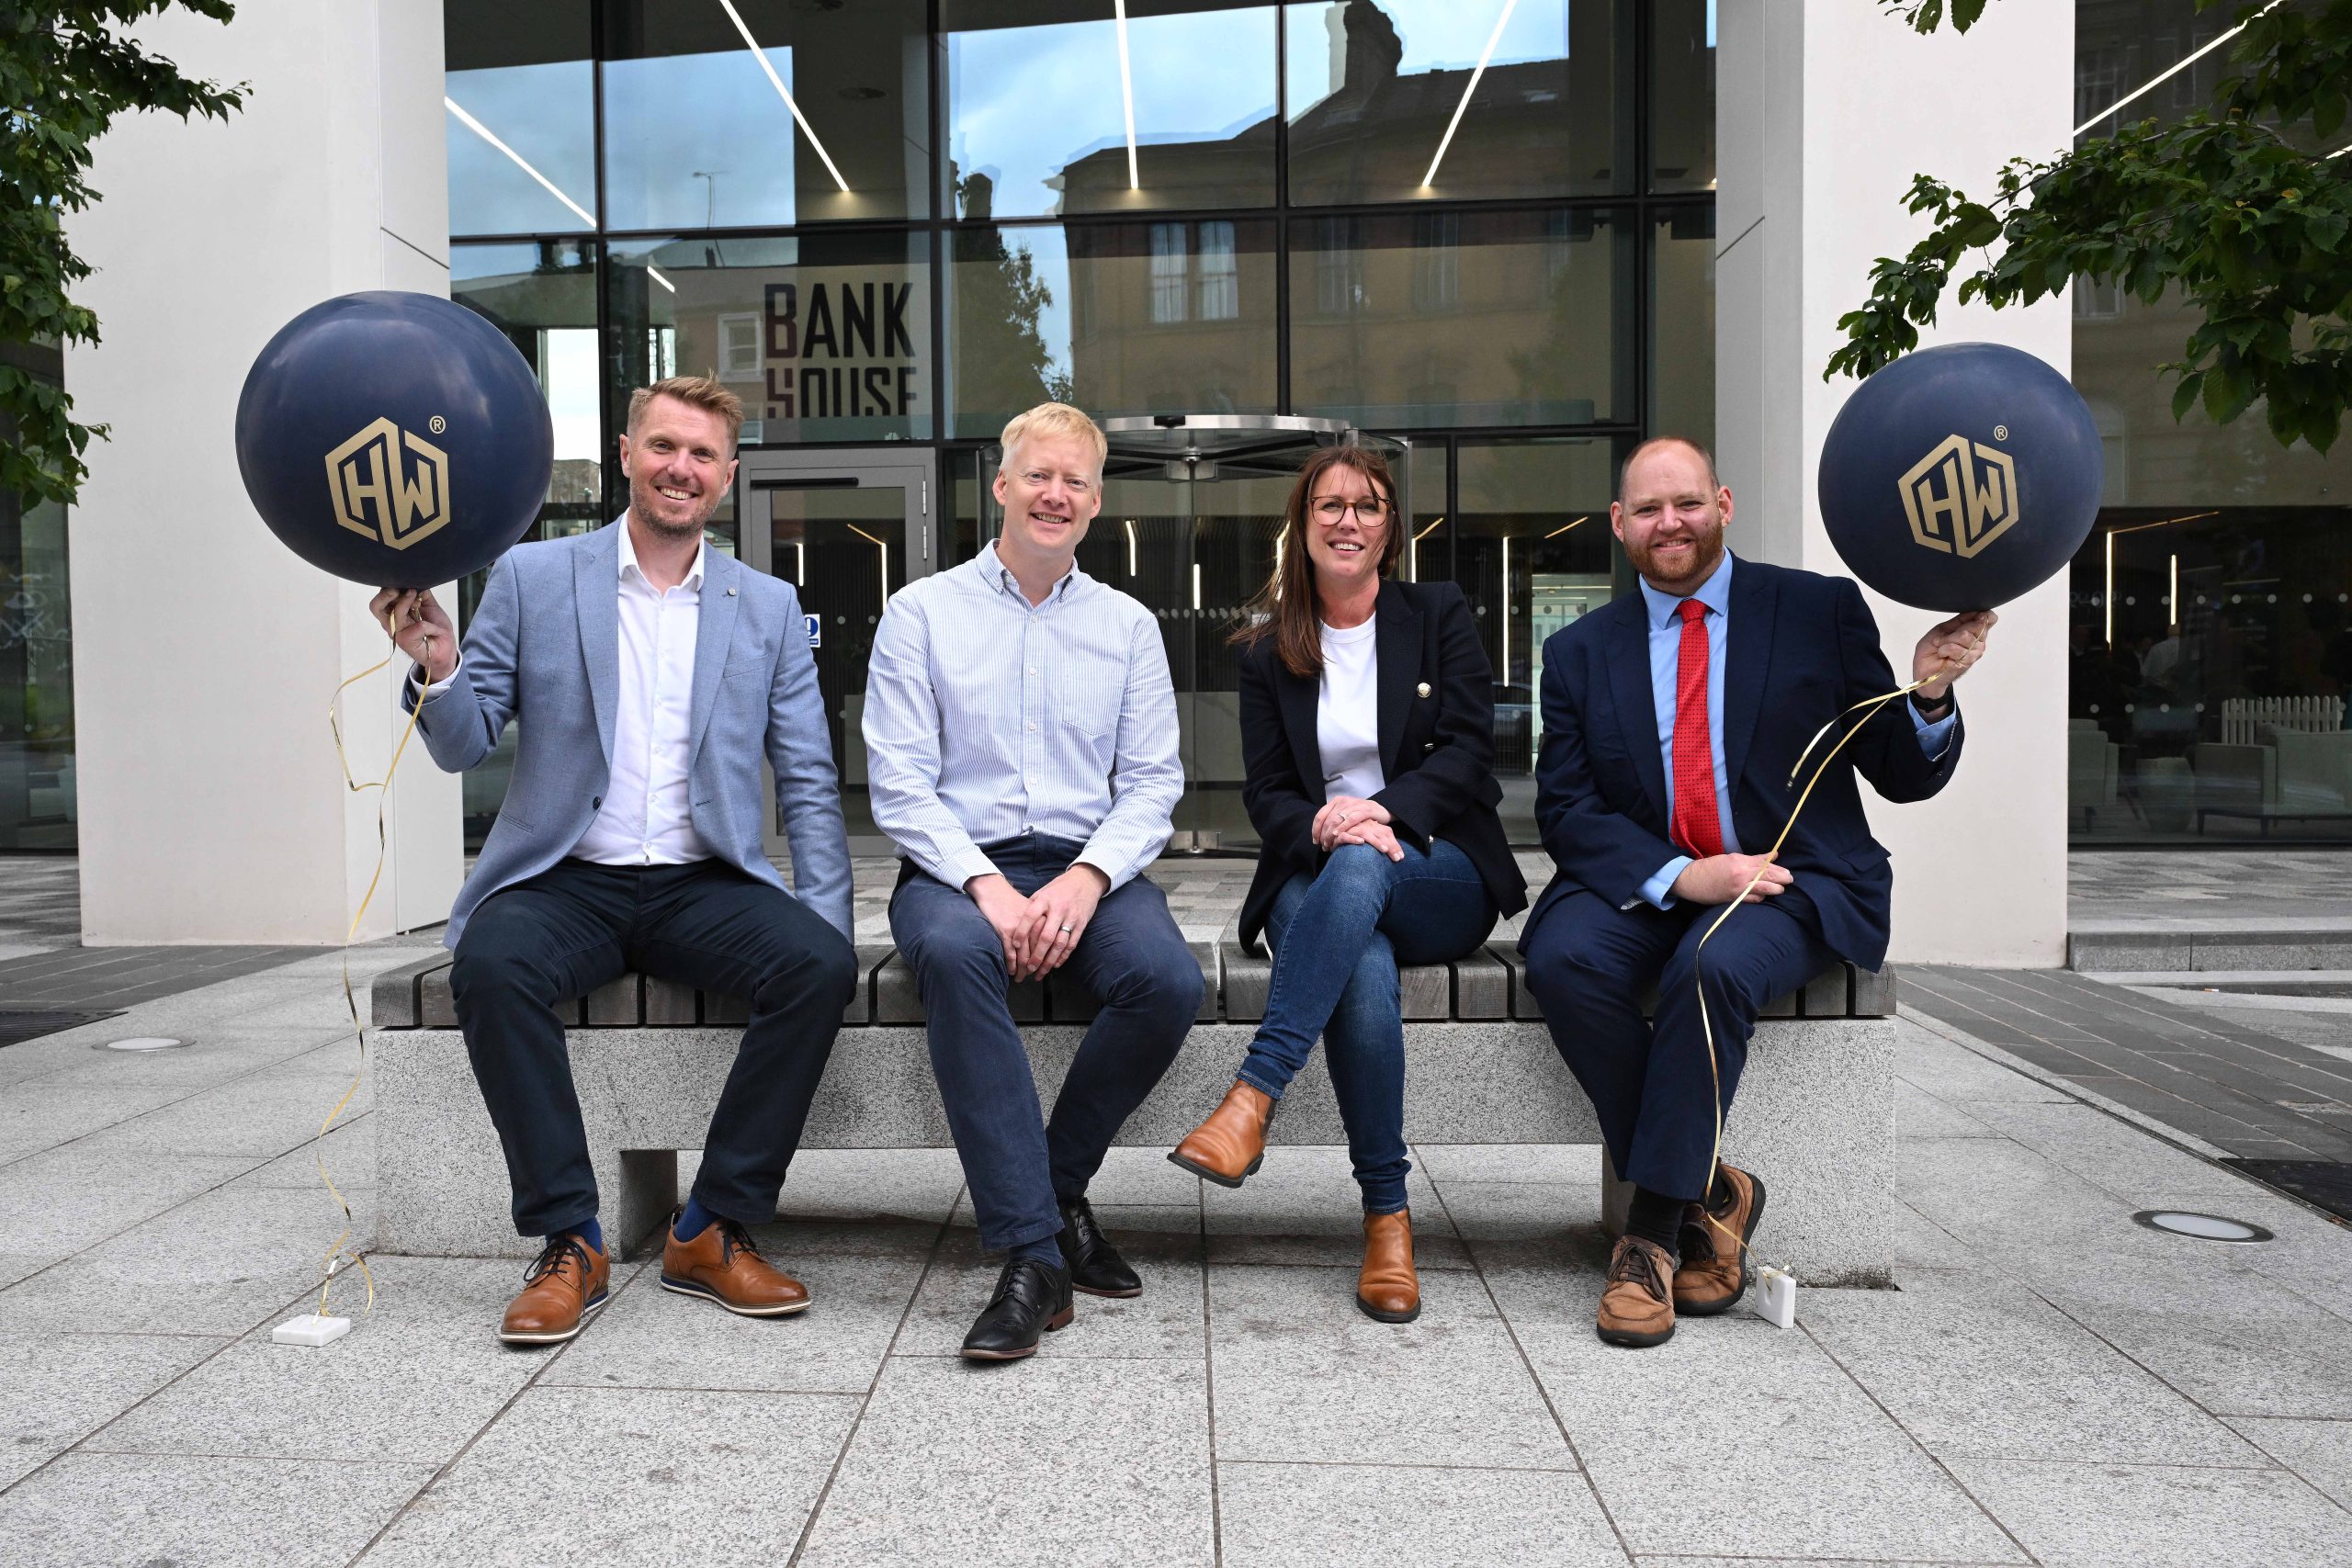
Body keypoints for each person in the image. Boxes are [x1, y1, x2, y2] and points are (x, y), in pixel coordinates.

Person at [371, 374, 857, 1347]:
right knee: (492, 965)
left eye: (703, 454)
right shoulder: (533, 576)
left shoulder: (762, 605)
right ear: (630, 453)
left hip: (701, 881)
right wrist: (437, 664)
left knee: (817, 967)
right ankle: (570, 1240)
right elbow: (467, 744)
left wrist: (830, 924)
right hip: (567, 879)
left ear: (727, 475)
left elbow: (807, 778)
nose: (683, 468)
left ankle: (711, 1227)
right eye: (665, 447)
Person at [1519, 436, 1991, 1348]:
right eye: (1649, 509)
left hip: (1794, 881)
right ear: (1620, 525)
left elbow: (1898, 773)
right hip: (1655, 880)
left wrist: (1925, 693)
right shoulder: (1579, 651)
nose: (1670, 523)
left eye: (1686, 502)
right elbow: (1567, 809)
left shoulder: (1816, 610)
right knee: (1561, 958)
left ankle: (1651, 1238)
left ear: (1723, 504)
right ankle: (1713, 1190)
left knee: (1710, 963)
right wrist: (1685, 875)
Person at [862, 402, 1203, 1362]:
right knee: (960, 959)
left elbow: (1149, 787)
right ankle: (1032, 1255)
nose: (1056, 494)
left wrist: (1089, 878)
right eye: (1038, 476)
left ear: (1095, 503)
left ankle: (1048, 1192)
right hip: (952, 864)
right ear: (1002, 486)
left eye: (1076, 481)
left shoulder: (1127, 627)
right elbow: (899, 785)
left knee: (1167, 981)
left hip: (1086, 862)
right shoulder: (922, 613)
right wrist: (986, 887)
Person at [1169, 446, 1525, 1323]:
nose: (1347, 520)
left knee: (1365, 861)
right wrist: (1324, 821)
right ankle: (1387, 1220)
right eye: (1329, 505)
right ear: (1304, 523)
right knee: (1359, 961)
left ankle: (1254, 1094)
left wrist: (1375, 816)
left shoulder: (1438, 615)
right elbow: (1266, 794)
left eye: (1366, 506)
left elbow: (1474, 756)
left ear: (1390, 527)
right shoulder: (1266, 650)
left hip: (1439, 868)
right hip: (1315, 873)